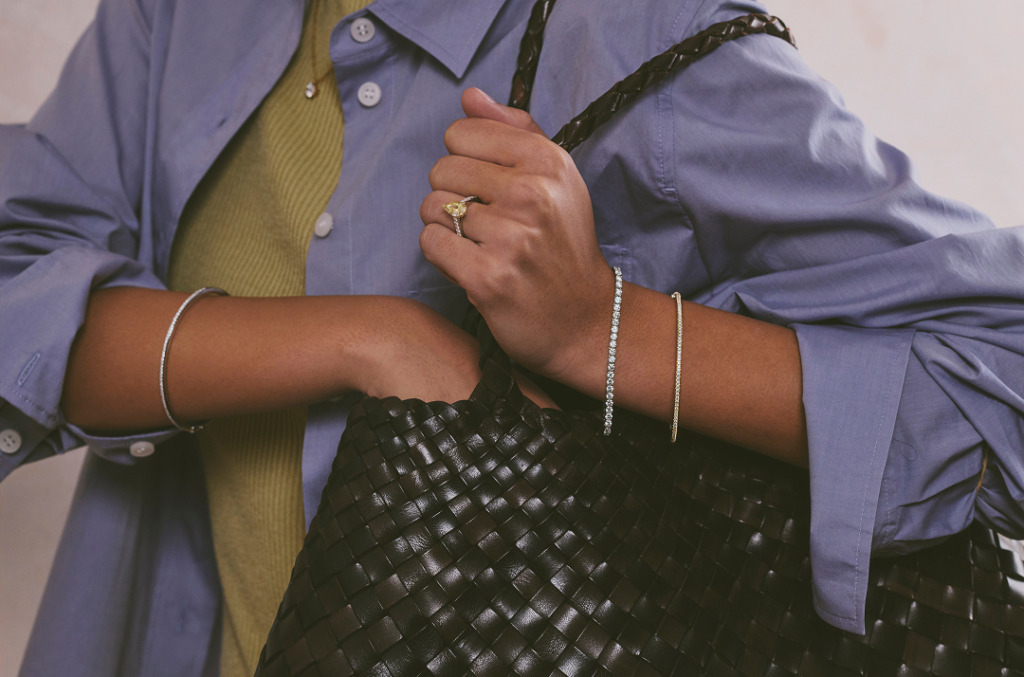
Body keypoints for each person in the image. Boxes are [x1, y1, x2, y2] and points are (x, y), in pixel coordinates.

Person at [1, 0, 1022, 675]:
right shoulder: (178, 17)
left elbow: (1001, 379)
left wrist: (596, 327)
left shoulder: (637, 32)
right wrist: (371, 338)